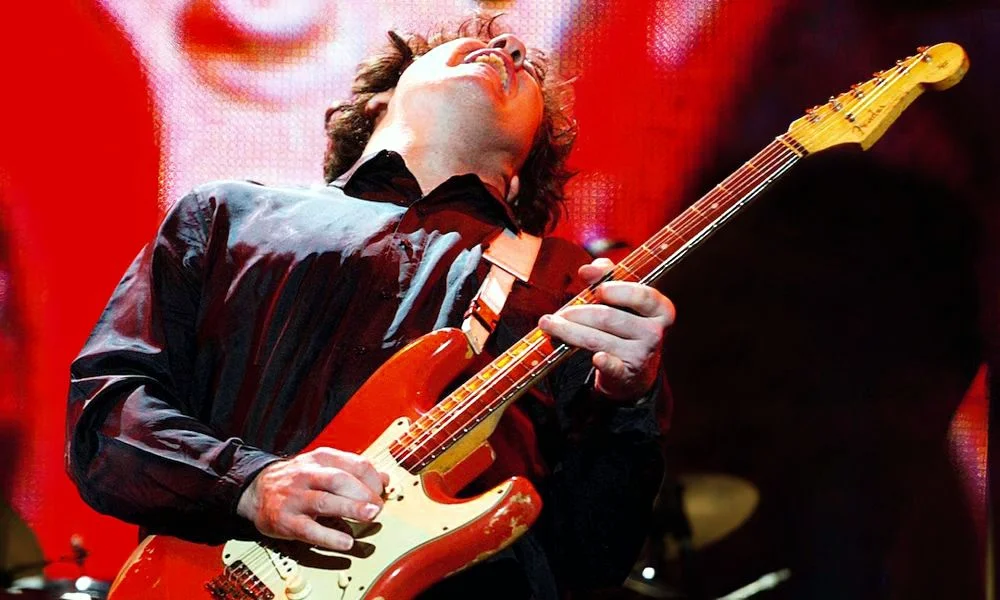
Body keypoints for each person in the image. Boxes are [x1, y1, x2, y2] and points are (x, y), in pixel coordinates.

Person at [66, 16, 675, 599]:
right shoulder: (228, 214)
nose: (511, 47)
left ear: (519, 177)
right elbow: (106, 416)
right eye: (467, 46)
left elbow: (595, 553)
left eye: (526, 68)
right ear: (378, 102)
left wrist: (628, 401)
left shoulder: (567, 286)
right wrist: (250, 483)